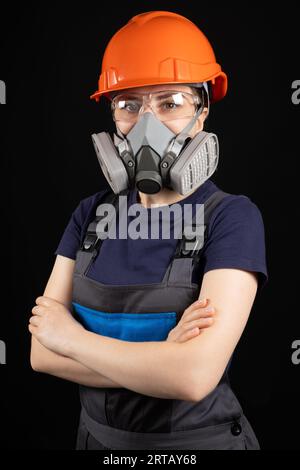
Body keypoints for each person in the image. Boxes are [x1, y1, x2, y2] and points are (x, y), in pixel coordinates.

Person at [28, 11, 268, 450]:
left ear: (203, 109)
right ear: (113, 115)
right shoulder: (89, 215)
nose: (146, 125)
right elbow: (40, 355)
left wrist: (72, 338)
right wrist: (162, 357)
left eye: (170, 103)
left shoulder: (232, 218)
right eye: (128, 104)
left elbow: (194, 377)